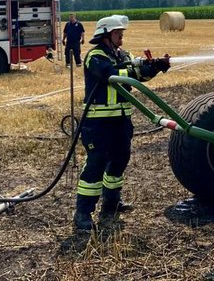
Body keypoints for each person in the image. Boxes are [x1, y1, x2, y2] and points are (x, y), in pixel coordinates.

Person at [73, 14, 170, 231]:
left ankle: (111, 203)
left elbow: (138, 74)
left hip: (121, 121)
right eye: (118, 34)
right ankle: (82, 213)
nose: (121, 38)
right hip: (98, 124)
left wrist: (155, 66)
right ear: (106, 35)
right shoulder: (95, 57)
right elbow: (112, 75)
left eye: (122, 34)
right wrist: (138, 68)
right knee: (96, 165)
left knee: (120, 160)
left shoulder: (122, 55)